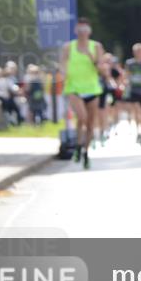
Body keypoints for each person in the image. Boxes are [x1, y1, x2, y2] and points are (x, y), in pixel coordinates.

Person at [59, 18, 105, 169]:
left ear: (89, 32)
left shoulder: (96, 46)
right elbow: (63, 64)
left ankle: (84, 151)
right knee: (82, 117)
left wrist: (90, 56)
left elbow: (100, 68)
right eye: (79, 30)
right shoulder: (68, 47)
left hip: (92, 88)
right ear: (75, 31)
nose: (82, 33)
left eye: (85, 30)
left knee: (90, 123)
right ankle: (79, 145)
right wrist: (64, 73)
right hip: (74, 88)